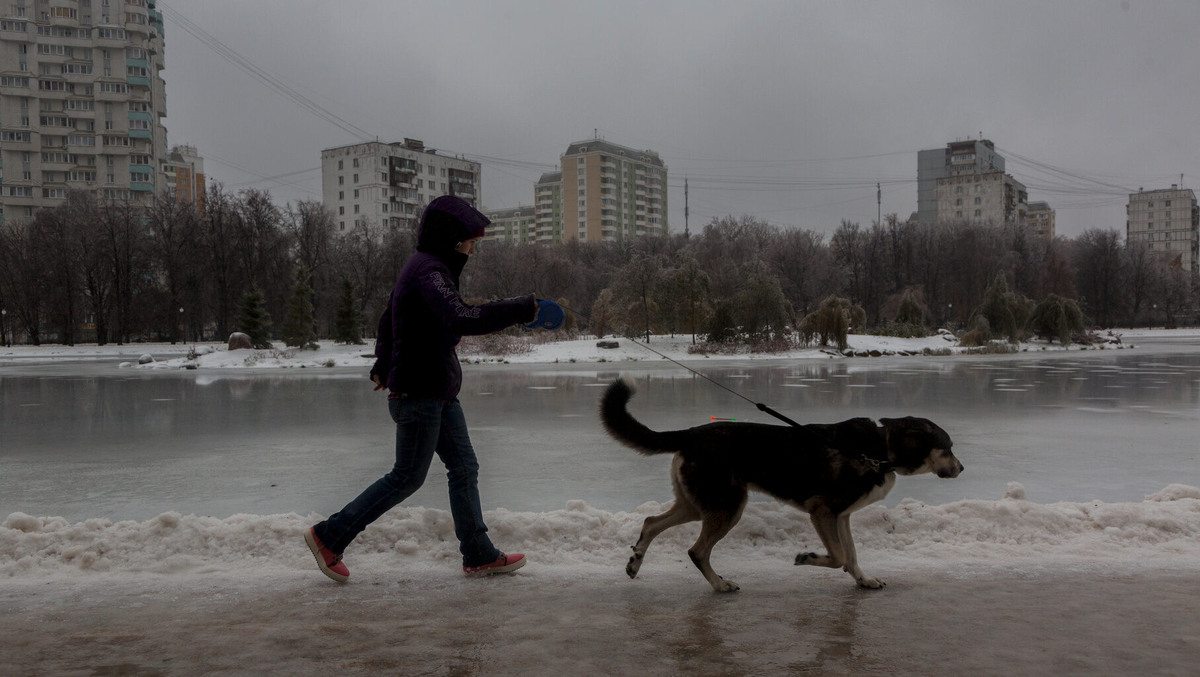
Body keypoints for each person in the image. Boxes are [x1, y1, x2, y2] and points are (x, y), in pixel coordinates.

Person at [305, 195, 544, 582]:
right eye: (470, 241)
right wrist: (518, 309)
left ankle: (478, 553)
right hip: (420, 394)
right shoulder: (429, 271)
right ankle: (329, 535)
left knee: (464, 467)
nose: (473, 249)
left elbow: (389, 319)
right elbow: (459, 316)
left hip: (437, 392)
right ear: (452, 239)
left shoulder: (429, 269)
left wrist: (383, 366)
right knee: (406, 477)